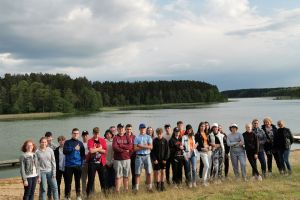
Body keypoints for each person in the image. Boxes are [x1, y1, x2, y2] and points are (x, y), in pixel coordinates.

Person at [63, 128, 85, 200]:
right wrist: (74, 149)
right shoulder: (67, 142)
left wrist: (82, 164)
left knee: (77, 181)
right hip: (69, 166)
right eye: (74, 133)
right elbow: (65, 151)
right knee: (68, 182)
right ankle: (67, 196)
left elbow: (83, 155)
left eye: (77, 133)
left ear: (79, 134)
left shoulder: (80, 143)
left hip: (78, 166)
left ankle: (78, 196)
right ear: (72, 134)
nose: (75, 134)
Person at [86, 127, 108, 197]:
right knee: (91, 180)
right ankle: (88, 195)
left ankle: (105, 195)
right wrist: (99, 149)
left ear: (99, 133)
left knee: (103, 179)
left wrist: (96, 149)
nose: (96, 135)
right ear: (93, 133)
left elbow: (105, 151)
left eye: (97, 133)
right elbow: (91, 151)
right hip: (92, 163)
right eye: (95, 133)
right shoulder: (90, 140)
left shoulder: (102, 140)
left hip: (101, 163)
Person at [112, 123, 132, 193]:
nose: (121, 130)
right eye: (119, 128)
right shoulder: (115, 138)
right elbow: (115, 148)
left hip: (127, 159)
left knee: (126, 175)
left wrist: (121, 145)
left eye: (122, 128)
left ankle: (126, 190)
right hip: (118, 160)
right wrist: (124, 150)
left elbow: (130, 147)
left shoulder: (127, 137)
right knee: (118, 176)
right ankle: (117, 191)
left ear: (124, 129)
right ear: (117, 129)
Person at [133, 123, 153, 193]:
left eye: (144, 128)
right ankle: (137, 189)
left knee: (149, 172)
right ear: (139, 129)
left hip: (147, 156)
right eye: (141, 128)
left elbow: (151, 147)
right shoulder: (137, 137)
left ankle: (149, 188)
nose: (142, 129)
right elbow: (135, 149)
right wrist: (145, 146)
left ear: (145, 129)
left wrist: (140, 146)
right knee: (137, 173)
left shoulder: (148, 137)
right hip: (139, 156)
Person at [195, 122, 211, 186]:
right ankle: (204, 181)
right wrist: (202, 149)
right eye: (201, 126)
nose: (203, 127)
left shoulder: (206, 133)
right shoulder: (197, 134)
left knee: (208, 166)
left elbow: (208, 142)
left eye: (204, 126)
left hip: (208, 151)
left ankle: (205, 180)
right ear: (199, 127)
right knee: (206, 165)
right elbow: (196, 146)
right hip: (202, 152)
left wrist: (209, 146)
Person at [125, 124, 136, 190]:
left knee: (134, 172)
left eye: (130, 129)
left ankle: (134, 187)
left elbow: (135, 146)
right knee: (126, 173)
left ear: (131, 130)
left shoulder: (134, 137)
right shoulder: (122, 136)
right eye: (127, 129)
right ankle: (126, 188)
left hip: (133, 156)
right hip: (125, 157)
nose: (129, 130)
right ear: (125, 129)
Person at [81, 130, 90, 196]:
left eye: (86, 135)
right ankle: (84, 193)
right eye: (83, 135)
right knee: (83, 179)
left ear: (88, 136)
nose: (85, 136)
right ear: (82, 136)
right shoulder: (80, 144)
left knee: (91, 178)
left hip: (90, 163)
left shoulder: (91, 143)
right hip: (83, 163)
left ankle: (91, 192)